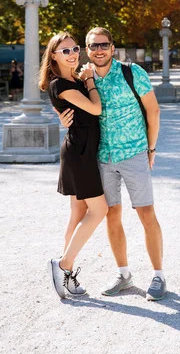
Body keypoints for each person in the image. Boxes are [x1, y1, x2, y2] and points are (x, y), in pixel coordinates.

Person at [58, 28, 164, 301]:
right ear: (87, 49)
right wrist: (61, 118)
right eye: (93, 46)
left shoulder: (132, 72)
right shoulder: (84, 78)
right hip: (102, 158)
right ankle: (123, 272)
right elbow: (66, 98)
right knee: (111, 216)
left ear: (113, 47)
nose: (99, 50)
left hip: (134, 153)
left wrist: (151, 148)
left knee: (146, 214)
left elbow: (153, 110)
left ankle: (158, 275)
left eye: (104, 44)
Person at [39, 32, 108, 299]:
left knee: (78, 215)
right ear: (53, 56)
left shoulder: (71, 80)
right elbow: (95, 109)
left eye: (74, 49)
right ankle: (63, 264)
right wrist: (89, 80)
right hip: (79, 153)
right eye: (65, 51)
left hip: (82, 150)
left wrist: (83, 79)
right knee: (99, 209)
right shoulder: (61, 84)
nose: (72, 54)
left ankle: (65, 275)